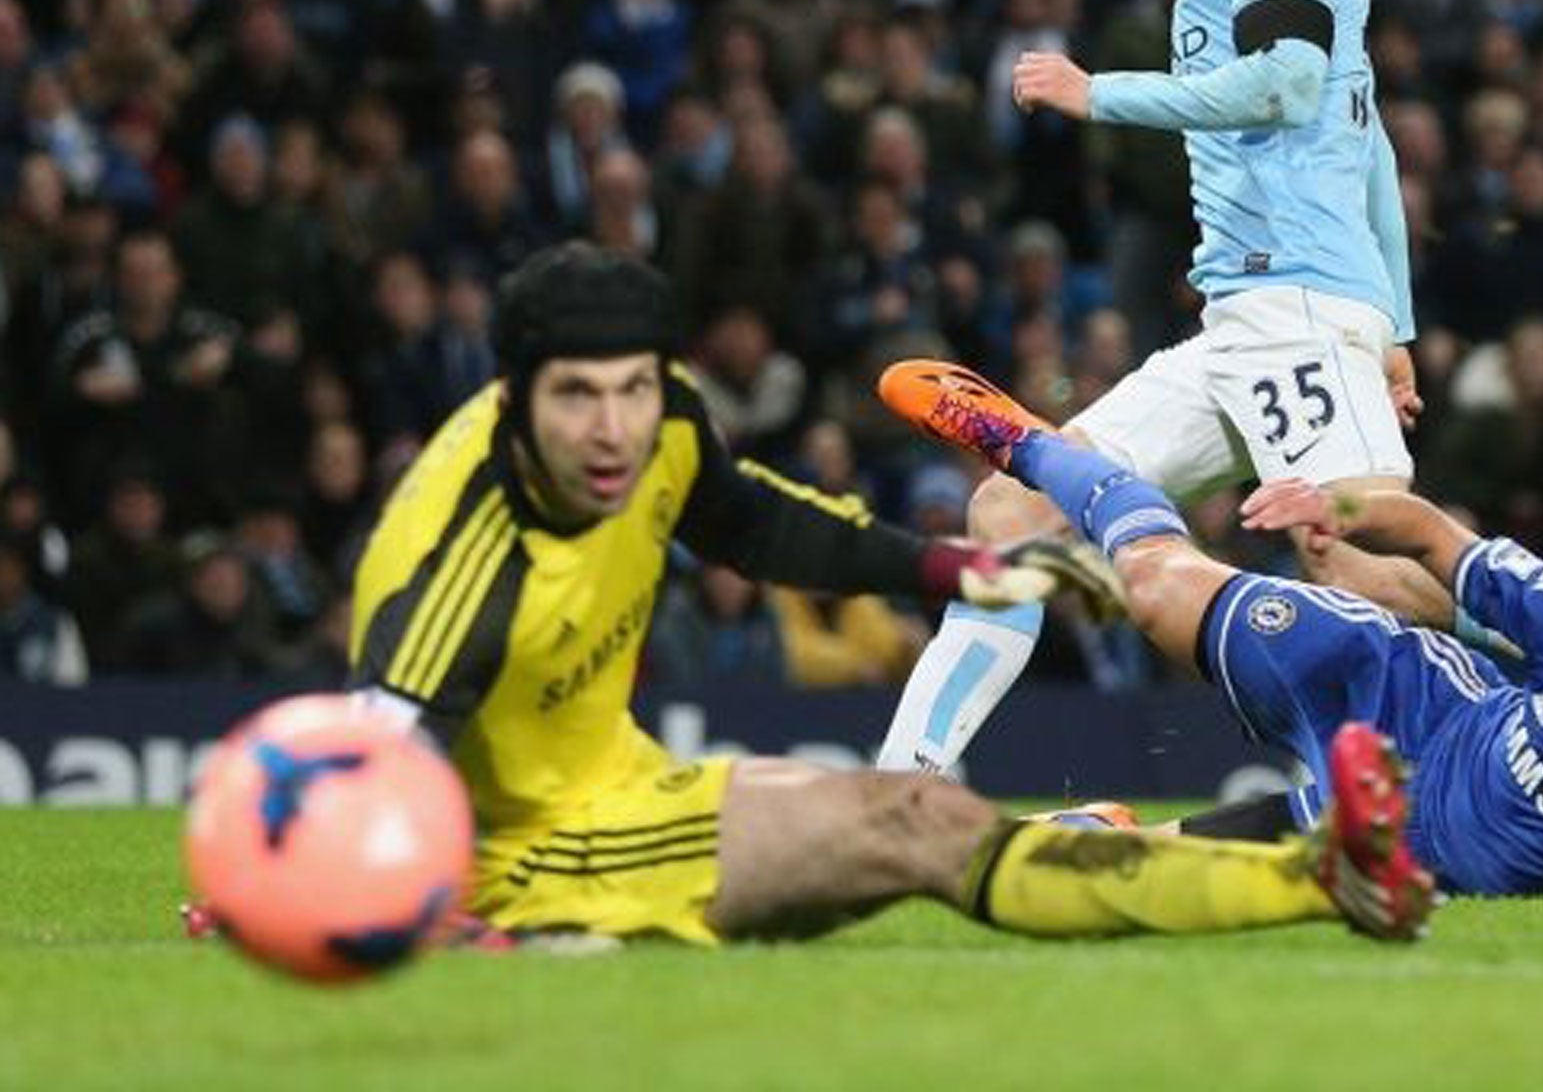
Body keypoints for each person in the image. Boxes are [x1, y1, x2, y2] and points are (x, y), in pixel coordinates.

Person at [344, 242, 1429, 945]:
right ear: (508, 396)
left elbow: (753, 521)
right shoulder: (459, 560)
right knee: (921, 831)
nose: (613, 428)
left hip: (631, 784)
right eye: (577, 397)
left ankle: (1316, 873)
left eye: (632, 390)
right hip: (535, 855)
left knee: (910, 822)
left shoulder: (662, 421)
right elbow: (368, 767)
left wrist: (947, 565)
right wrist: (329, 894)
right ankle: (1315, 877)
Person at [879, 357, 1543, 908]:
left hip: (1373, 831)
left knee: (1135, 878)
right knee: (1160, 587)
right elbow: (1432, 537)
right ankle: (1022, 439)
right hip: (1392, 693)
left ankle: (1067, 828)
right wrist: (1330, 509)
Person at [879, 0, 1434, 776]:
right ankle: (899, 793)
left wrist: (1100, 93)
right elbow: (1368, 149)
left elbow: (1286, 83)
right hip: (1254, 319)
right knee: (1015, 507)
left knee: (1362, 564)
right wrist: (1396, 324)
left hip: (1295, 308)